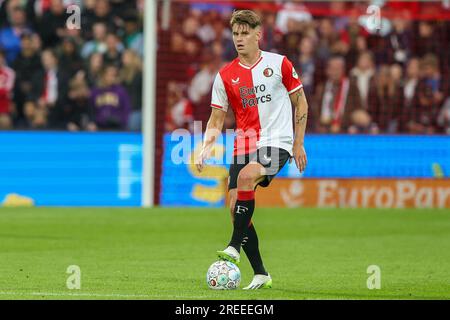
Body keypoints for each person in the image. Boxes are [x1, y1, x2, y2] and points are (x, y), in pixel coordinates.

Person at [195, 10, 308, 290]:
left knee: (246, 178)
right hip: (244, 144)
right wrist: (206, 145)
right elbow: (216, 118)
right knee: (235, 207)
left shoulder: (279, 64)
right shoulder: (225, 76)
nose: (239, 39)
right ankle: (261, 274)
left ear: (259, 34)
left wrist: (298, 142)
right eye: (235, 34)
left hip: (277, 140)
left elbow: (301, 103)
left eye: (245, 33)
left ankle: (233, 247)